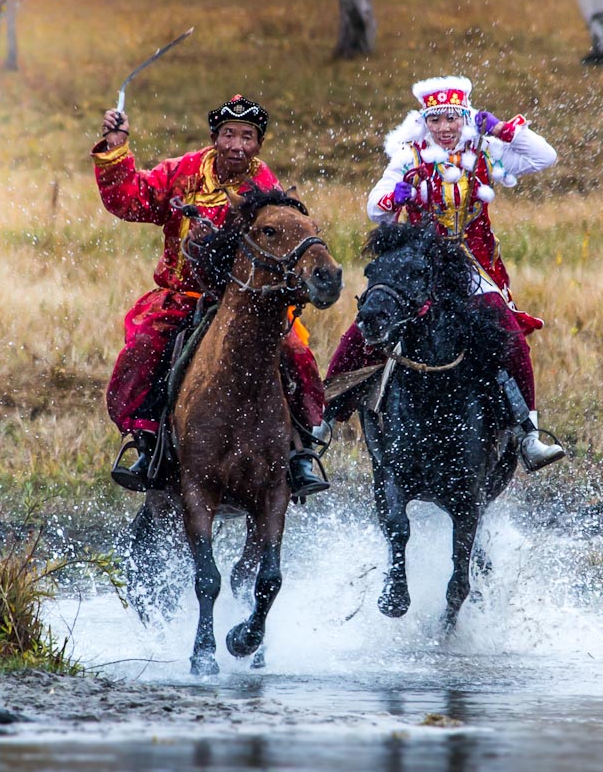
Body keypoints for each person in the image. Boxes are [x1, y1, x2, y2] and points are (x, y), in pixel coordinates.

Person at [92, 94, 330, 496]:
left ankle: (301, 449)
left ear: (259, 144)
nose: (237, 145)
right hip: (181, 296)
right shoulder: (182, 172)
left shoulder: (266, 187)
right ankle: (146, 441)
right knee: (145, 347)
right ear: (214, 137)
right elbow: (130, 200)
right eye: (229, 135)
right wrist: (117, 146)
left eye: (248, 137)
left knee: (296, 353)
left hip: (247, 304)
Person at [326, 75, 564, 471]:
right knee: (367, 324)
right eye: (436, 120)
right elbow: (374, 210)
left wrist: (502, 129)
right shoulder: (408, 156)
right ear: (425, 122)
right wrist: (395, 195)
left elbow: (545, 157)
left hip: (472, 264)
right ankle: (325, 416)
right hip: (419, 265)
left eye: (453, 119)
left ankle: (528, 434)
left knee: (507, 335)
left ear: (466, 118)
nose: (446, 129)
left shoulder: (485, 150)